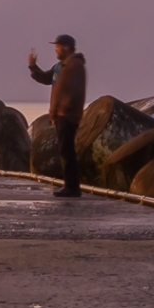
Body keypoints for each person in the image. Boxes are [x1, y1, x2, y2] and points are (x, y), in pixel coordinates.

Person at [28, 33, 87, 198]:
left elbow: (72, 92)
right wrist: (33, 67)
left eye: (58, 46)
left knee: (67, 151)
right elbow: (46, 78)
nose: (56, 49)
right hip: (60, 115)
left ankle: (72, 187)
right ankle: (70, 185)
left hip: (67, 115)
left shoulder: (74, 66)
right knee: (64, 150)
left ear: (67, 47)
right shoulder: (61, 66)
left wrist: (62, 110)